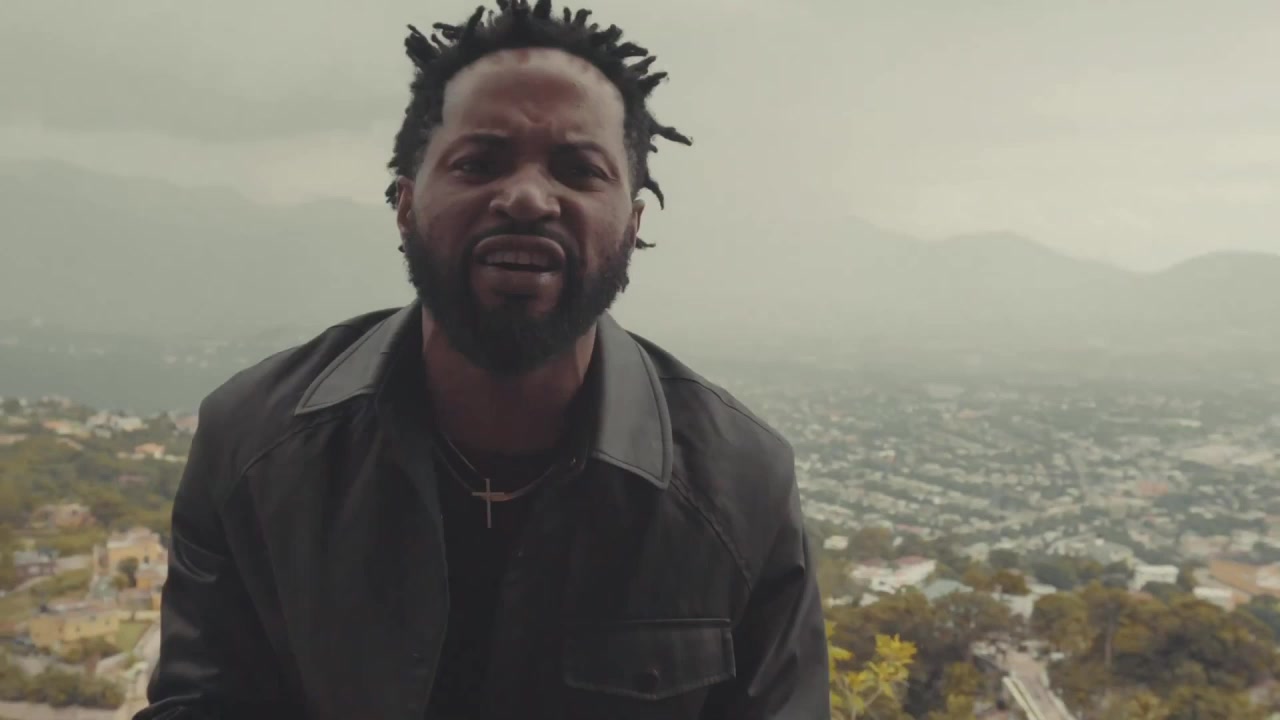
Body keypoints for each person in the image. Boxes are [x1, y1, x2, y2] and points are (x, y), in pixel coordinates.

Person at [136, 1, 828, 718]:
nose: (526, 198)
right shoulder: (255, 448)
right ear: (405, 204)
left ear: (633, 223)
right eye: (479, 163)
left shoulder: (741, 487)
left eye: (578, 169)